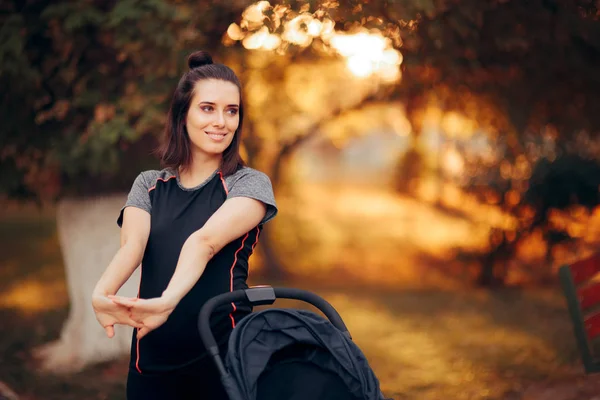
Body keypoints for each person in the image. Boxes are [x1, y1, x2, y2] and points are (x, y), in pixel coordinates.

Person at [91, 50, 277, 400]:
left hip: (225, 359)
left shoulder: (248, 184)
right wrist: (101, 293)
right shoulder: (148, 184)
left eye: (231, 111)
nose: (221, 121)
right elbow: (132, 247)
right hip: (152, 359)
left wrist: (167, 302)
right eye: (208, 108)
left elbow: (203, 242)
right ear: (182, 114)